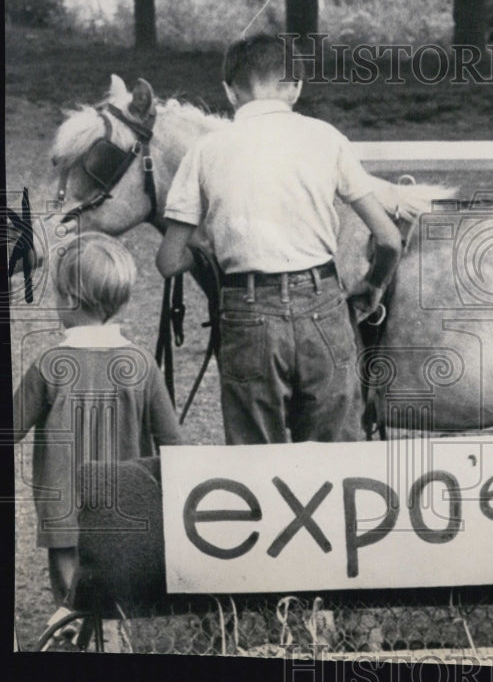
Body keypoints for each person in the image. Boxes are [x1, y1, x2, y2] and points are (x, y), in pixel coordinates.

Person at [156, 33, 401, 445]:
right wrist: (374, 285)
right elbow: (390, 239)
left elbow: (167, 261)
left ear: (230, 93)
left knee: (255, 462)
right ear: (296, 87)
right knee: (335, 456)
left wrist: (208, 246)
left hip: (246, 312)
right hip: (323, 304)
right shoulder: (327, 138)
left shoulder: (206, 151)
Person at [13, 232, 182, 636]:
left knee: (72, 605)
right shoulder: (141, 363)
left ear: (69, 299)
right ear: (121, 300)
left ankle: (80, 644)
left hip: (64, 512)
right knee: (116, 608)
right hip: (127, 510)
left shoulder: (49, 363)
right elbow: (174, 445)